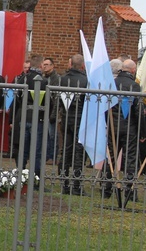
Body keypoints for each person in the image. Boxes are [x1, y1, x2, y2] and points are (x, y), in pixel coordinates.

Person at [102, 59, 140, 200]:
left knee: (111, 157)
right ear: (133, 70)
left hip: (113, 126)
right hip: (130, 127)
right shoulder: (135, 86)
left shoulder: (113, 84)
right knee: (130, 158)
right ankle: (129, 191)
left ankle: (106, 189)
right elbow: (137, 110)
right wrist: (141, 131)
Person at [19, 57, 58, 186]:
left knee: (23, 149)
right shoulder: (44, 82)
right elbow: (49, 102)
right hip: (39, 119)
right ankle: (35, 180)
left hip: (25, 117)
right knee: (37, 151)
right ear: (40, 66)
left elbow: (18, 99)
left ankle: (20, 175)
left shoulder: (23, 79)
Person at [57, 54, 88, 196]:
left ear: (70, 64)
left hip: (66, 117)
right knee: (78, 151)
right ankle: (76, 185)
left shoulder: (63, 79)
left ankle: (64, 183)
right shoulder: (85, 80)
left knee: (66, 149)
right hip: (79, 118)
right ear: (82, 66)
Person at [9, 59, 40, 160]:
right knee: (23, 144)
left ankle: (22, 169)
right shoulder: (20, 79)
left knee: (26, 145)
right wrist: (11, 119)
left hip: (28, 114)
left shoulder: (23, 79)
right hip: (23, 114)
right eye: (25, 68)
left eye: (28, 68)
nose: (26, 70)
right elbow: (14, 100)